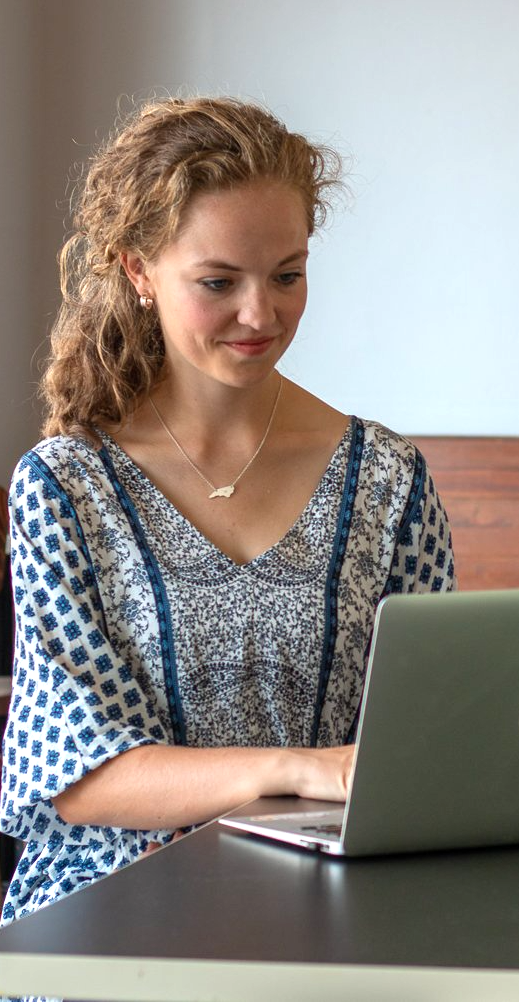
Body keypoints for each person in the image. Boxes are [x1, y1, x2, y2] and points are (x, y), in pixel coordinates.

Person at [1, 97, 455, 923]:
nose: (262, 314)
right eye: (219, 282)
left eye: (288, 273)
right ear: (139, 271)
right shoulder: (64, 487)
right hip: (109, 922)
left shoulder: (390, 481)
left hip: (329, 911)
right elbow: (80, 776)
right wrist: (298, 768)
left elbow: (427, 735)